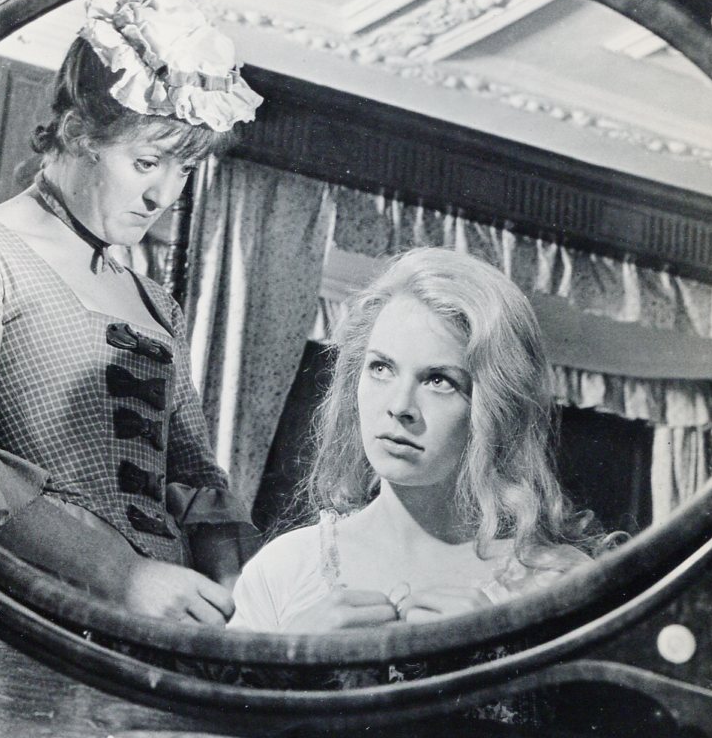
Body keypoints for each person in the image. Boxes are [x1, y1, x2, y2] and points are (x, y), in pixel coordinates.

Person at [0, 0, 262, 627]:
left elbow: (197, 483)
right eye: (146, 162)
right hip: (35, 622)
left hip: (168, 635)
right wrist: (124, 575)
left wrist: (235, 603)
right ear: (75, 134)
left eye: (183, 171)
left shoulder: (156, 303)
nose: (162, 196)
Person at [230, 247, 604, 633]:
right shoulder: (284, 569)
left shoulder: (560, 583)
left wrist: (497, 649)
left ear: (497, 406)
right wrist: (291, 656)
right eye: (381, 368)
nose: (399, 406)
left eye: (439, 380)